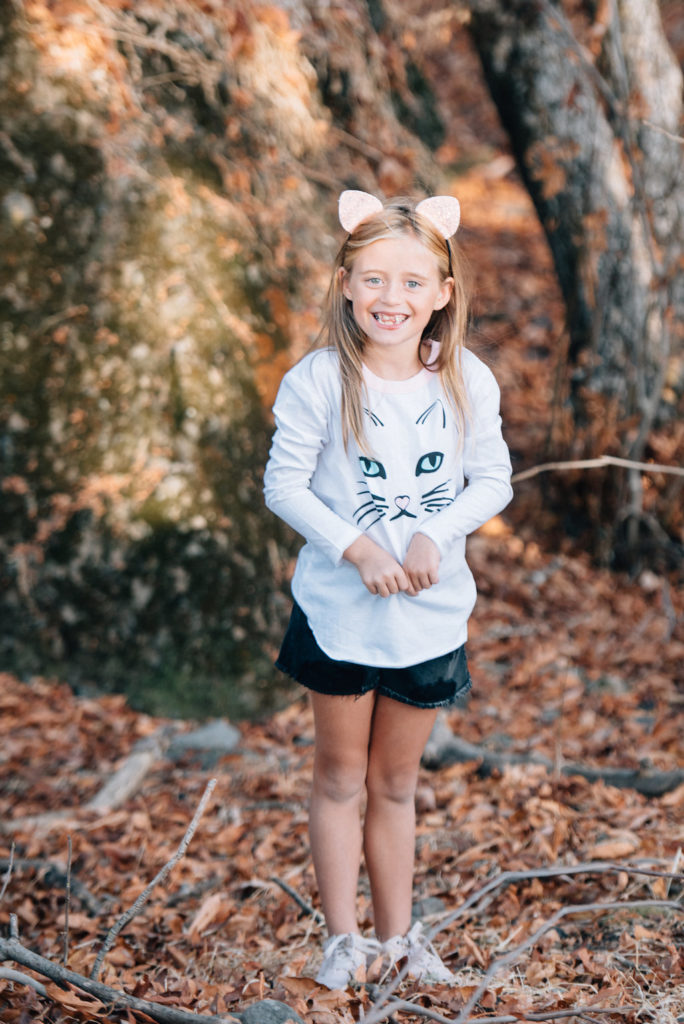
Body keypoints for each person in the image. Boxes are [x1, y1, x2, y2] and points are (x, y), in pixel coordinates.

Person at [263, 190, 513, 989]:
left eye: (410, 282)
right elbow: (284, 486)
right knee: (341, 777)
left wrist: (434, 534)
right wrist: (359, 548)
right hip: (340, 613)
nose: (390, 297)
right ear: (345, 284)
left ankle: (401, 940)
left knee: (397, 784)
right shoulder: (317, 381)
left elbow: (493, 479)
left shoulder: (465, 379)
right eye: (372, 279)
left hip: (429, 619)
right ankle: (345, 941)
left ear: (443, 292)